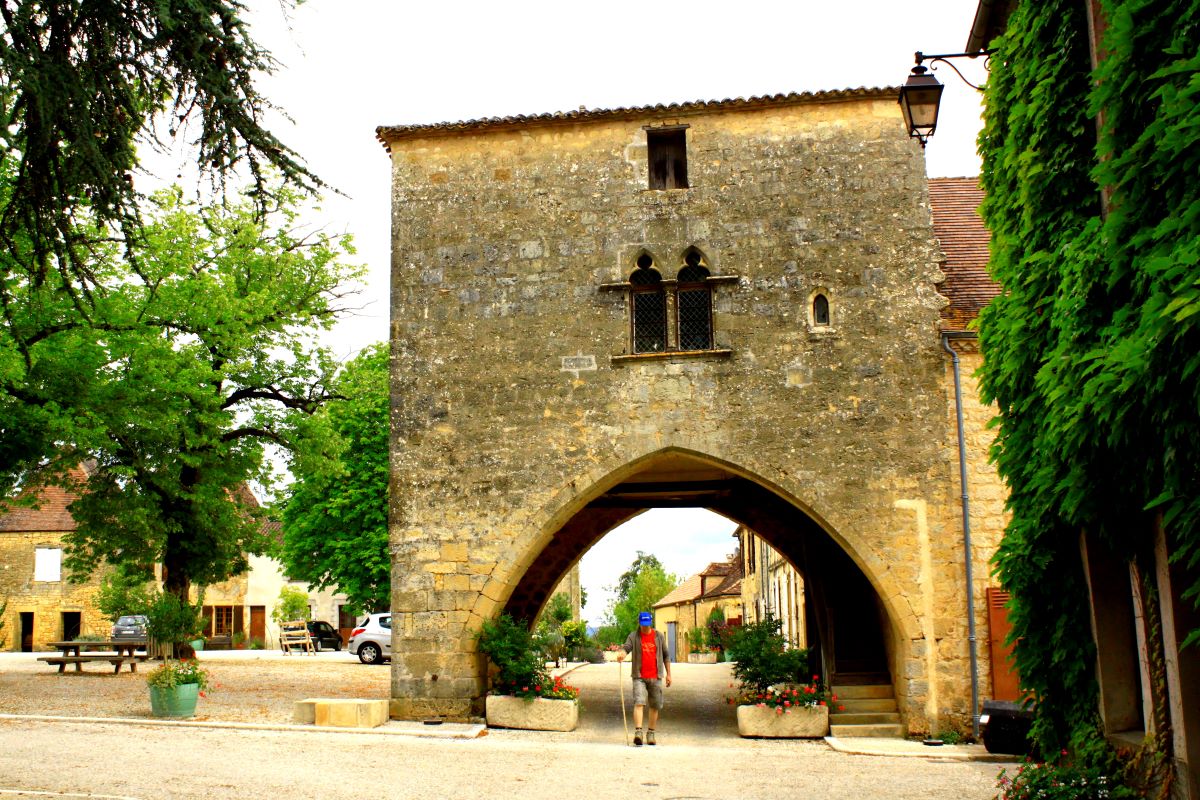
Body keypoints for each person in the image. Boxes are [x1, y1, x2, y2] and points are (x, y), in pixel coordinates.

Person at [617, 611, 672, 746]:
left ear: (651, 623)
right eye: (643, 625)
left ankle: (651, 733)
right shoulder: (634, 636)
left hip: (656, 676)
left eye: (647, 625)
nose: (645, 627)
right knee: (639, 702)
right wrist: (622, 654)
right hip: (639, 676)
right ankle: (638, 732)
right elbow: (627, 647)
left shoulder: (659, 636)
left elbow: (666, 655)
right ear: (639, 623)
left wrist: (669, 674)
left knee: (655, 705)